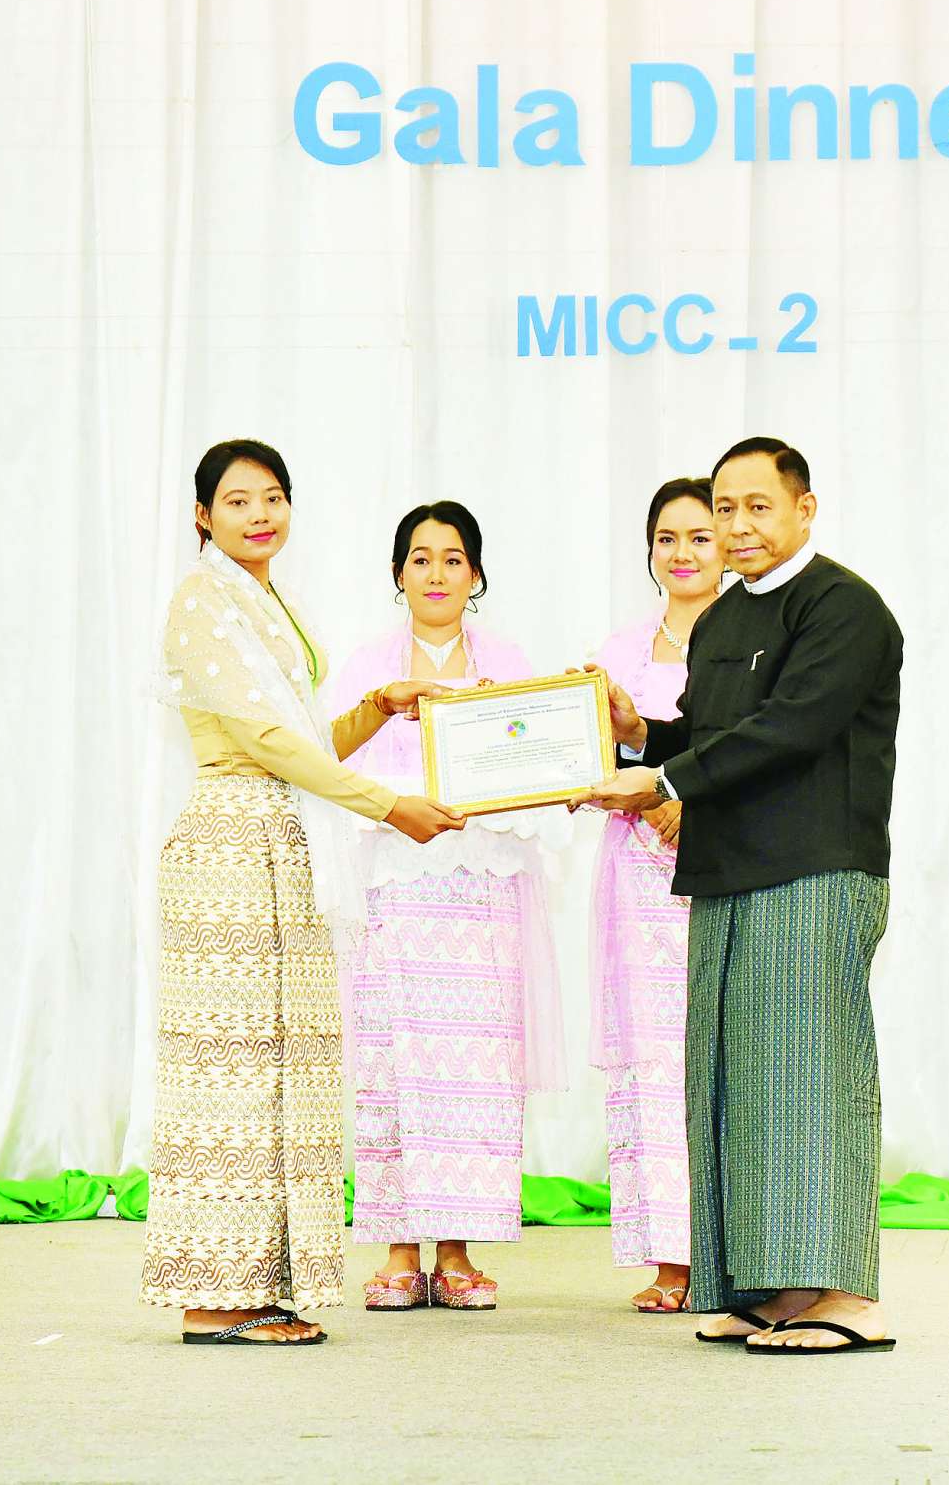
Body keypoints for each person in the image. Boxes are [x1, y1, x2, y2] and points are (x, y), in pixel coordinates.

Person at [573, 437, 902, 1354]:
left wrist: (662, 782)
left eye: (758, 506)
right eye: (725, 508)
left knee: (810, 1080)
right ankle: (772, 1289)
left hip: (813, 871)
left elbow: (791, 729)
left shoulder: (842, 606)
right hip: (725, 874)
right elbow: (706, 733)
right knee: (735, 1088)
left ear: (803, 508)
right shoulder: (724, 618)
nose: (738, 526)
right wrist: (641, 736)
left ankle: (845, 1296)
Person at [140, 439, 464, 1346]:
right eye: (237, 500)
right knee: (234, 1073)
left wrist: (377, 709)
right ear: (202, 516)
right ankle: (212, 1299)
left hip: (279, 845)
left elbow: (306, 742)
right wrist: (389, 806)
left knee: (285, 1073)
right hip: (231, 850)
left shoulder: (265, 599)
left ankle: (259, 1286)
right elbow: (268, 746)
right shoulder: (202, 598)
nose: (259, 514)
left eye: (273, 497)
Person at [328, 501, 567, 1312]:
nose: (436, 573)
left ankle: (457, 1253)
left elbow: (544, 766)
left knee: (474, 1069)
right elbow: (326, 765)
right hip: (396, 892)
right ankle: (399, 1252)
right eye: (421, 558)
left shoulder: (509, 664)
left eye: (453, 558)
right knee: (394, 1065)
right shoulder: (367, 668)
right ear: (398, 574)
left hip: (480, 893)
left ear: (476, 575)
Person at [589, 479, 722, 1312]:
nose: (682, 553)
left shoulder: (753, 639)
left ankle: (730, 1252)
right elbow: (593, 751)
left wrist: (690, 804)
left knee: (722, 1057)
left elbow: (759, 749)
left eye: (699, 537)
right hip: (638, 879)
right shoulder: (618, 651)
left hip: (723, 870)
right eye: (666, 538)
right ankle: (670, 1260)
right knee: (653, 1060)